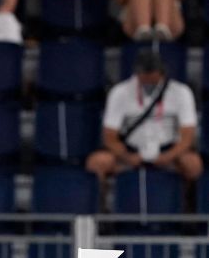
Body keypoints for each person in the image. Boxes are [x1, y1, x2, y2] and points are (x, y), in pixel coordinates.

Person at [86, 49, 202, 186]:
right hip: (131, 150)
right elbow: (109, 136)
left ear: (162, 73)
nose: (149, 82)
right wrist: (127, 156)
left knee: (193, 164)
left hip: (168, 150)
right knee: (97, 163)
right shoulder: (119, 92)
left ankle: (187, 197)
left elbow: (188, 136)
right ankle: (104, 198)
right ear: (137, 73)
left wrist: (168, 156)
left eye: (153, 78)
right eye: (145, 78)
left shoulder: (181, 92)